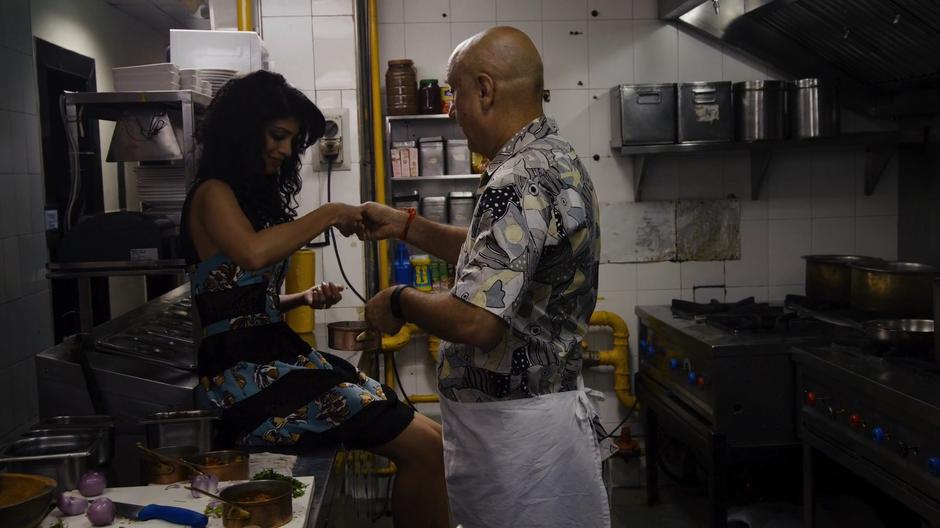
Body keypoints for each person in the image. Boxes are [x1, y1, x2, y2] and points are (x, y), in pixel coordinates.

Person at [359, 27, 607, 527]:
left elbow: (477, 323)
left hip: (517, 438)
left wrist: (398, 300)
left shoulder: (517, 179)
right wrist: (405, 226)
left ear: (486, 90)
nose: (450, 108)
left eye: (455, 92)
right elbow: (501, 259)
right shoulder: (553, 158)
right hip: (537, 423)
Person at [181, 70, 447, 528]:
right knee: (426, 447)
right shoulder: (212, 193)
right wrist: (330, 212)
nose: (285, 150)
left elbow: (236, 305)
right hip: (242, 377)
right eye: (278, 135)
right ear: (244, 130)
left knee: (432, 440)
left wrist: (300, 297)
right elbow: (252, 252)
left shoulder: (242, 200)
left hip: (270, 357)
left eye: (291, 141)